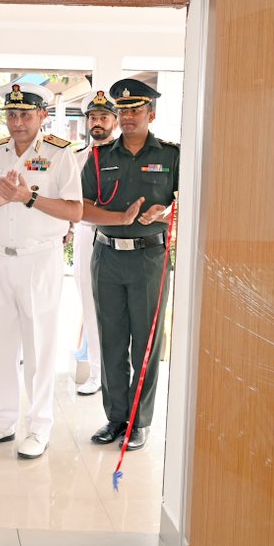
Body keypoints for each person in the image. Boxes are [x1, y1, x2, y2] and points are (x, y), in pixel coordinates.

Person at [0, 82, 83, 460]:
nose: (17, 122)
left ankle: (39, 425)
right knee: (2, 343)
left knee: (39, 347)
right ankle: (1, 421)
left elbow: (74, 212)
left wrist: (26, 196)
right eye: (12, 114)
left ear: (42, 116)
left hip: (39, 260)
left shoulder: (59, 154)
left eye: (26, 115)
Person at [82, 79, 179, 452]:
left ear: (151, 114)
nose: (128, 117)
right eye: (123, 111)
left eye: (136, 110)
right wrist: (120, 219)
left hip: (149, 258)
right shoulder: (99, 157)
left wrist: (167, 209)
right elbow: (82, 207)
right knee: (111, 340)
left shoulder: (172, 155)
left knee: (146, 342)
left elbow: (190, 195)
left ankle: (139, 421)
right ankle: (115, 417)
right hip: (106, 256)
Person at [72, 91, 119, 396]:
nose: (97, 123)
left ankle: (115, 374)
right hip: (85, 235)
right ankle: (96, 371)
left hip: (116, 236)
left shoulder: (123, 156)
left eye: (103, 117)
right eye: (93, 117)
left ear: (114, 121)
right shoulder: (75, 157)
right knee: (89, 304)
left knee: (115, 309)